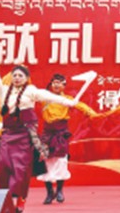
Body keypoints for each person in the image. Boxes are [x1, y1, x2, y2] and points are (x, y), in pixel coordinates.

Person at [0, 47, 79, 213]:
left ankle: (20, 199)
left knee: (20, 169)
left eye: (20, 75)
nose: (17, 78)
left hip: (24, 136)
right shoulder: (4, 90)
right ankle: (6, 200)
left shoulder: (31, 91)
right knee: (5, 167)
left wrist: (68, 103)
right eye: (15, 75)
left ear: (26, 78)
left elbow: (49, 96)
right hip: (8, 135)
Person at [37, 73, 101, 205]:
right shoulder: (44, 97)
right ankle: (49, 192)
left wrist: (92, 114)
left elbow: (81, 106)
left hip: (61, 133)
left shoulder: (68, 99)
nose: (56, 85)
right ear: (51, 84)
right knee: (45, 161)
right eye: (54, 82)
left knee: (61, 161)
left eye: (59, 83)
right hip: (47, 133)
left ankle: (59, 190)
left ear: (64, 86)